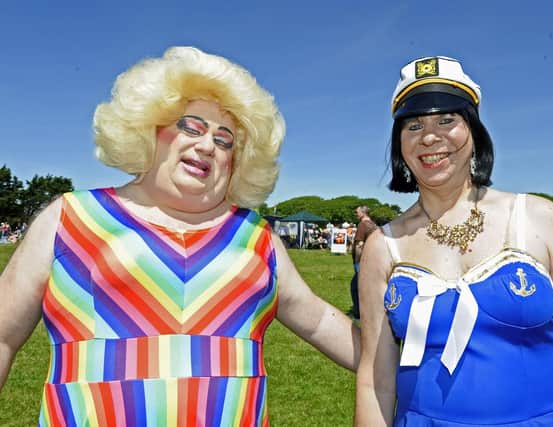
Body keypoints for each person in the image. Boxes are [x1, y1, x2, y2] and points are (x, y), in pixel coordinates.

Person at [0, 46, 359, 426]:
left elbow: (318, 320)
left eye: (225, 140)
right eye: (191, 126)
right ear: (150, 127)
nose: (207, 146)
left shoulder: (256, 235)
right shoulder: (70, 216)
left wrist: (407, 366)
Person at [355, 56, 553, 426]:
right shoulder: (382, 246)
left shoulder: (538, 218)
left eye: (447, 119)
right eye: (413, 124)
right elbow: (376, 383)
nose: (430, 136)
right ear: (399, 144)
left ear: (474, 130)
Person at [350, 206, 378, 319]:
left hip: (363, 260)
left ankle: (358, 314)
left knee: (356, 287)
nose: (356, 214)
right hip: (373, 259)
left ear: (363, 213)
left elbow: (359, 245)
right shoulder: (373, 225)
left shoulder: (362, 225)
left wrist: (357, 261)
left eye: (357, 212)